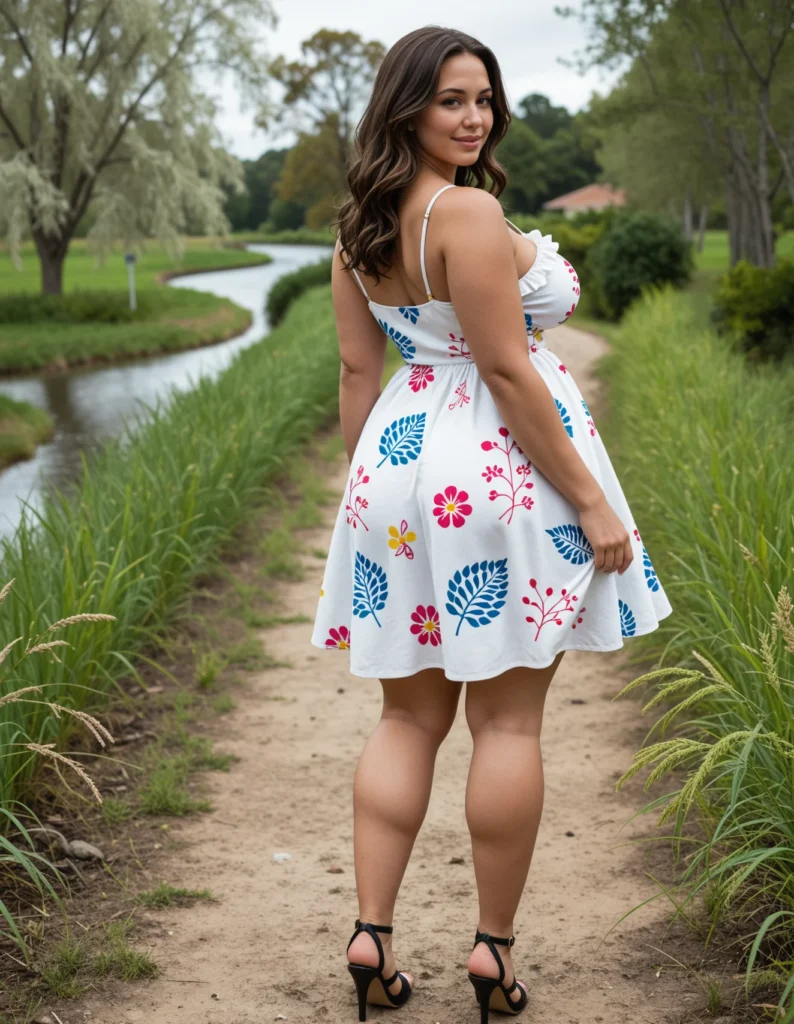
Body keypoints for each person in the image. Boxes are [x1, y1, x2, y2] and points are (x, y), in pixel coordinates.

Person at [310, 24, 673, 1023]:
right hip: (493, 470)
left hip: (396, 464)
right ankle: (492, 951)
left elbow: (357, 374)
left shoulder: (357, 229)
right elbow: (507, 370)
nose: (473, 118)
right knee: (506, 721)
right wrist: (591, 500)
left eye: (482, 99)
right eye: (450, 100)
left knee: (404, 717)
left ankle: (371, 935)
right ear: (405, 108)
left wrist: (366, 495)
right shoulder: (464, 212)